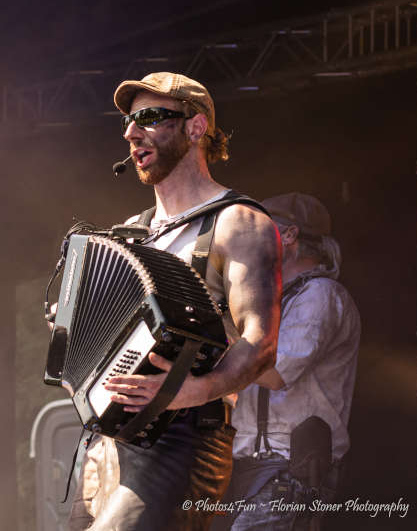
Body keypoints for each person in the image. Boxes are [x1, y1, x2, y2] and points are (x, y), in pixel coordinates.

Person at [66, 72, 281, 531]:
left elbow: (261, 343)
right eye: (127, 120)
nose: (130, 132)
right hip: (108, 445)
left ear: (195, 127)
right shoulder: (133, 231)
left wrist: (192, 391)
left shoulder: (238, 222)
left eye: (148, 117)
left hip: (182, 437)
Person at [213, 193, 360, 531]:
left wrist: (215, 330)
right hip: (253, 464)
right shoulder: (274, 303)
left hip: (292, 466)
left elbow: (276, 372)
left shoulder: (321, 295)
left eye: (260, 233)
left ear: (289, 236)